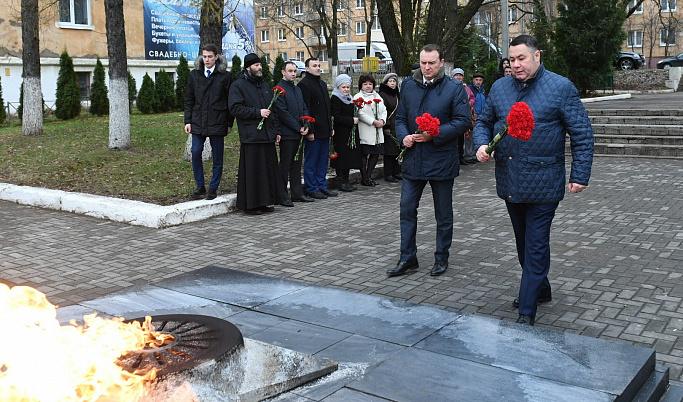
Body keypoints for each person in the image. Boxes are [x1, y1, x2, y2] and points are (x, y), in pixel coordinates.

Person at [473, 35, 594, 326]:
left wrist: (580, 175)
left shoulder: (561, 88)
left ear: (537, 56)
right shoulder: (500, 88)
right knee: (522, 243)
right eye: (511, 60)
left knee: (536, 244)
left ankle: (526, 310)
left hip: (545, 182)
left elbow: (582, 134)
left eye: (521, 58)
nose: (515, 65)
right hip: (511, 180)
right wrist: (481, 144)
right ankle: (541, 288)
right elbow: (484, 122)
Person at [387, 44, 471, 278]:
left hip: (442, 160)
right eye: (423, 63)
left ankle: (441, 257)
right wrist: (403, 137)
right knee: (406, 209)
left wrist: (435, 134)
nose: (426, 67)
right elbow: (401, 117)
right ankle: (407, 257)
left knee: (443, 213)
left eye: (431, 63)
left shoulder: (455, 88)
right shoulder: (409, 85)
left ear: (441, 62)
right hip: (414, 160)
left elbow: (463, 122)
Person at [228, 53, 284, 215]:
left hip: (267, 136)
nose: (260, 67)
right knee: (253, 172)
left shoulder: (265, 86)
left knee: (267, 171)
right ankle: (251, 205)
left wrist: (276, 131)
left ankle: (265, 201)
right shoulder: (238, 86)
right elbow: (235, 108)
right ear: (248, 68)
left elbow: (272, 110)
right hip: (251, 135)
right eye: (256, 65)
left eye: (260, 65)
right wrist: (257, 112)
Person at [184, 44, 233, 200]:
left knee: (218, 156)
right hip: (198, 121)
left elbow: (230, 101)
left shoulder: (224, 76)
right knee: (196, 151)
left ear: (216, 57)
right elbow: (189, 99)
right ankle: (200, 185)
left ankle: (213, 187)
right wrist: (188, 121)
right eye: (204, 56)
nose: (207, 59)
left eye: (210, 56)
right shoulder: (195, 75)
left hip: (218, 121)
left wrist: (229, 123)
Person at [297, 58, 338, 199]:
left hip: (325, 129)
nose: (318, 68)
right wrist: (310, 130)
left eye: (319, 65)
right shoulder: (304, 85)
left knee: (322, 161)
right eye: (314, 66)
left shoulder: (321, 83)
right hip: (313, 131)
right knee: (311, 161)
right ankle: (311, 187)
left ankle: (322, 185)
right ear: (307, 68)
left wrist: (330, 127)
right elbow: (306, 109)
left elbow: (326, 108)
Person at [275, 61, 314, 205]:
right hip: (287, 134)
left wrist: (306, 123)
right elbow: (283, 113)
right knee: (285, 166)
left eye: (294, 71)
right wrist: (298, 127)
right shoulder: (279, 89)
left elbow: (304, 108)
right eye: (290, 71)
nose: (293, 74)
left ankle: (297, 193)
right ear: (283, 72)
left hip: (299, 133)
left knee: (297, 166)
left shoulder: (297, 89)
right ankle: (282, 196)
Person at [330, 74, 362, 192]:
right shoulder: (335, 99)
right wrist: (351, 120)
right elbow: (336, 117)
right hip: (340, 133)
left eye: (348, 87)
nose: (346, 90)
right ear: (338, 87)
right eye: (343, 87)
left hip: (349, 132)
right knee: (342, 158)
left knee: (348, 157)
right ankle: (340, 181)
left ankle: (346, 180)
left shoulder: (350, 98)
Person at [354, 74, 387, 187]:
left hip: (378, 130)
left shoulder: (377, 96)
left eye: (370, 84)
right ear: (361, 85)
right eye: (365, 84)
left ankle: (368, 176)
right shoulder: (358, 97)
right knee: (364, 154)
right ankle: (364, 177)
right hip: (366, 129)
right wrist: (373, 121)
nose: (368, 86)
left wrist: (382, 120)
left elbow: (384, 110)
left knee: (375, 154)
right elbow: (360, 113)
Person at [379, 73, 402, 183]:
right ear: (386, 83)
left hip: (397, 125)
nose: (393, 83)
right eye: (390, 81)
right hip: (388, 126)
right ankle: (388, 173)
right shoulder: (383, 95)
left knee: (396, 150)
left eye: (394, 81)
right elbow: (383, 111)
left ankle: (396, 172)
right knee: (389, 152)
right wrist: (386, 125)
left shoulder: (397, 94)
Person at [452, 68, 475, 166]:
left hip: (464, 115)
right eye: (456, 75)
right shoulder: (449, 87)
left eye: (460, 75)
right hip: (453, 116)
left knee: (462, 138)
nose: (458, 77)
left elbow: (472, 98)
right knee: (453, 138)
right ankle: (453, 158)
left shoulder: (466, 88)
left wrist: (468, 103)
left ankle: (461, 156)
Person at [466, 72, 486, 164]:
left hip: (482, 116)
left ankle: (475, 154)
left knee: (478, 135)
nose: (478, 82)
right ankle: (468, 155)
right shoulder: (470, 90)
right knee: (469, 136)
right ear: (473, 80)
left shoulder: (483, 90)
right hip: (473, 116)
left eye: (480, 80)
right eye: (476, 80)